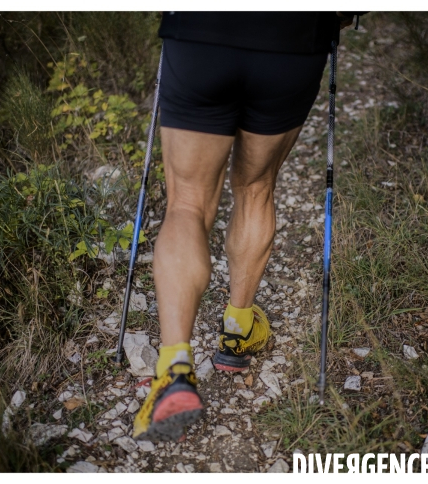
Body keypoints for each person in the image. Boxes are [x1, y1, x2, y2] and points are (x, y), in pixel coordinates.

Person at [133, 11, 360, 443]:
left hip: (201, 37)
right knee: (256, 188)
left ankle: (174, 370)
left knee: (186, 203)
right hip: (292, 44)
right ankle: (238, 331)